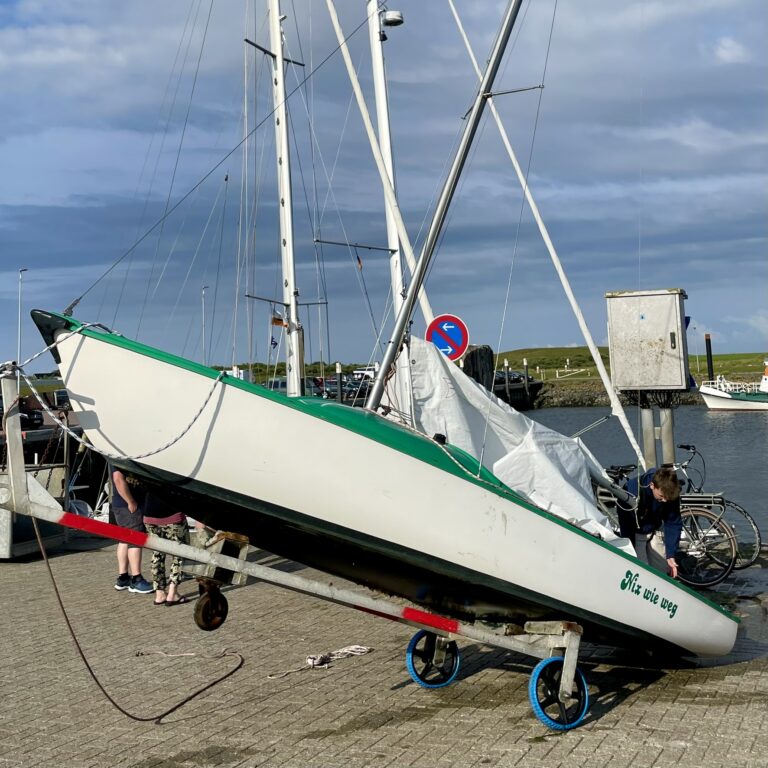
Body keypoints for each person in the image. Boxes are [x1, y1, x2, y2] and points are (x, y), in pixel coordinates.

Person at [617, 466, 682, 578]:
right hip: (636, 533)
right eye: (661, 496)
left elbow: (673, 522)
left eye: (667, 498)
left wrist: (671, 554)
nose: (665, 500)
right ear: (652, 485)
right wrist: (630, 547)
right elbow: (625, 522)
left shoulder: (670, 492)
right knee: (643, 573)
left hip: (655, 529)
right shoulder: (631, 490)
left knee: (663, 570)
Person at [110, 466, 153, 594]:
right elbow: (118, 478)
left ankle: (123, 578)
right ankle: (136, 579)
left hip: (121, 504)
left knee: (124, 539)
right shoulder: (120, 459)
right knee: (135, 540)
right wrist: (130, 501)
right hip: (128, 506)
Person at [142, 491, 190, 606]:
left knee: (157, 554)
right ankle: (173, 593)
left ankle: (159, 593)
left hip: (150, 513)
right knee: (180, 554)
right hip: (172, 513)